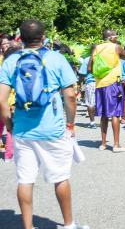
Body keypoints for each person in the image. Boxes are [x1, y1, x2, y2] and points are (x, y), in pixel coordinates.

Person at [0, 19, 89, 229]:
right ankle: (69, 224)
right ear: (43, 36)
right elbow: (70, 96)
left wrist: (9, 123)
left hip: (22, 129)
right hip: (53, 128)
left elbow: (2, 99)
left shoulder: (11, 62)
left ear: (20, 38)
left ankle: (28, 227)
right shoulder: (56, 59)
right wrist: (71, 123)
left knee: (25, 179)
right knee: (61, 177)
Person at [89, 29, 125, 152]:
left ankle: (103, 144)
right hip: (113, 83)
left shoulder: (96, 48)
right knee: (116, 114)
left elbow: (90, 68)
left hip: (100, 84)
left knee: (103, 115)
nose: (116, 38)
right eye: (116, 36)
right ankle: (116, 145)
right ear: (111, 37)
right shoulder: (115, 47)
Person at [78, 44, 97, 128]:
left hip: (91, 83)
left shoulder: (86, 60)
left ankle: (92, 122)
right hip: (102, 83)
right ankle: (105, 120)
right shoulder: (103, 59)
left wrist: (80, 83)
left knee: (90, 103)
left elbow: (82, 74)